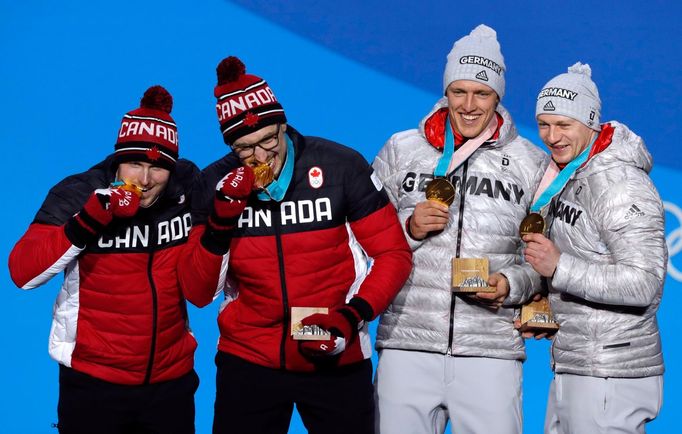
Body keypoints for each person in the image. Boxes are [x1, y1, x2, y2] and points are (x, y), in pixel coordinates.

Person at [178, 56, 412, 434]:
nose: (261, 157)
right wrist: (221, 224)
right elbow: (198, 292)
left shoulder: (340, 166)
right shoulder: (213, 183)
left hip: (337, 350)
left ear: (282, 124)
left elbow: (394, 255)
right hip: (249, 360)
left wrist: (352, 317)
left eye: (269, 139)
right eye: (244, 149)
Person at [372, 24, 549, 434]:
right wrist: (408, 227)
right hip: (406, 343)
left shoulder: (531, 162)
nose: (469, 105)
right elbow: (357, 242)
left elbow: (546, 257)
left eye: (482, 93)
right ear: (445, 91)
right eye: (459, 91)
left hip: (490, 349)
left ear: (498, 96)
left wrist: (510, 283)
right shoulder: (401, 150)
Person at [9, 86, 200, 434]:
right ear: (117, 161)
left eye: (157, 168)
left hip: (171, 381)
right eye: (135, 164)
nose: (144, 180)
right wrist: (88, 221)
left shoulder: (186, 187)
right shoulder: (77, 193)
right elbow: (22, 272)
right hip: (93, 383)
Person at [523, 62, 666, 434]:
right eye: (543, 124)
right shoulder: (574, 173)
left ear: (590, 124)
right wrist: (549, 305)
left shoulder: (621, 184)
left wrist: (560, 268)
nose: (551, 136)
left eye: (564, 125)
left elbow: (643, 283)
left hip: (610, 372)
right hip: (578, 363)